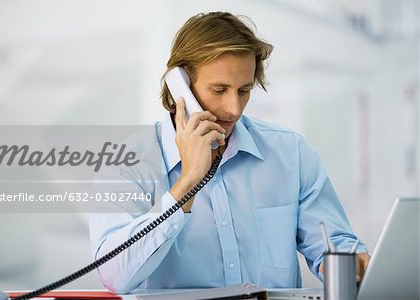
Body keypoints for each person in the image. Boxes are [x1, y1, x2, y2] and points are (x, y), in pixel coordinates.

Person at [89, 11, 370, 294]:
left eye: (244, 90)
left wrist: (351, 262)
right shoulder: (125, 161)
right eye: (219, 89)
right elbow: (115, 276)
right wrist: (187, 184)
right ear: (180, 87)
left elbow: (333, 246)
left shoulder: (290, 153)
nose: (234, 108)